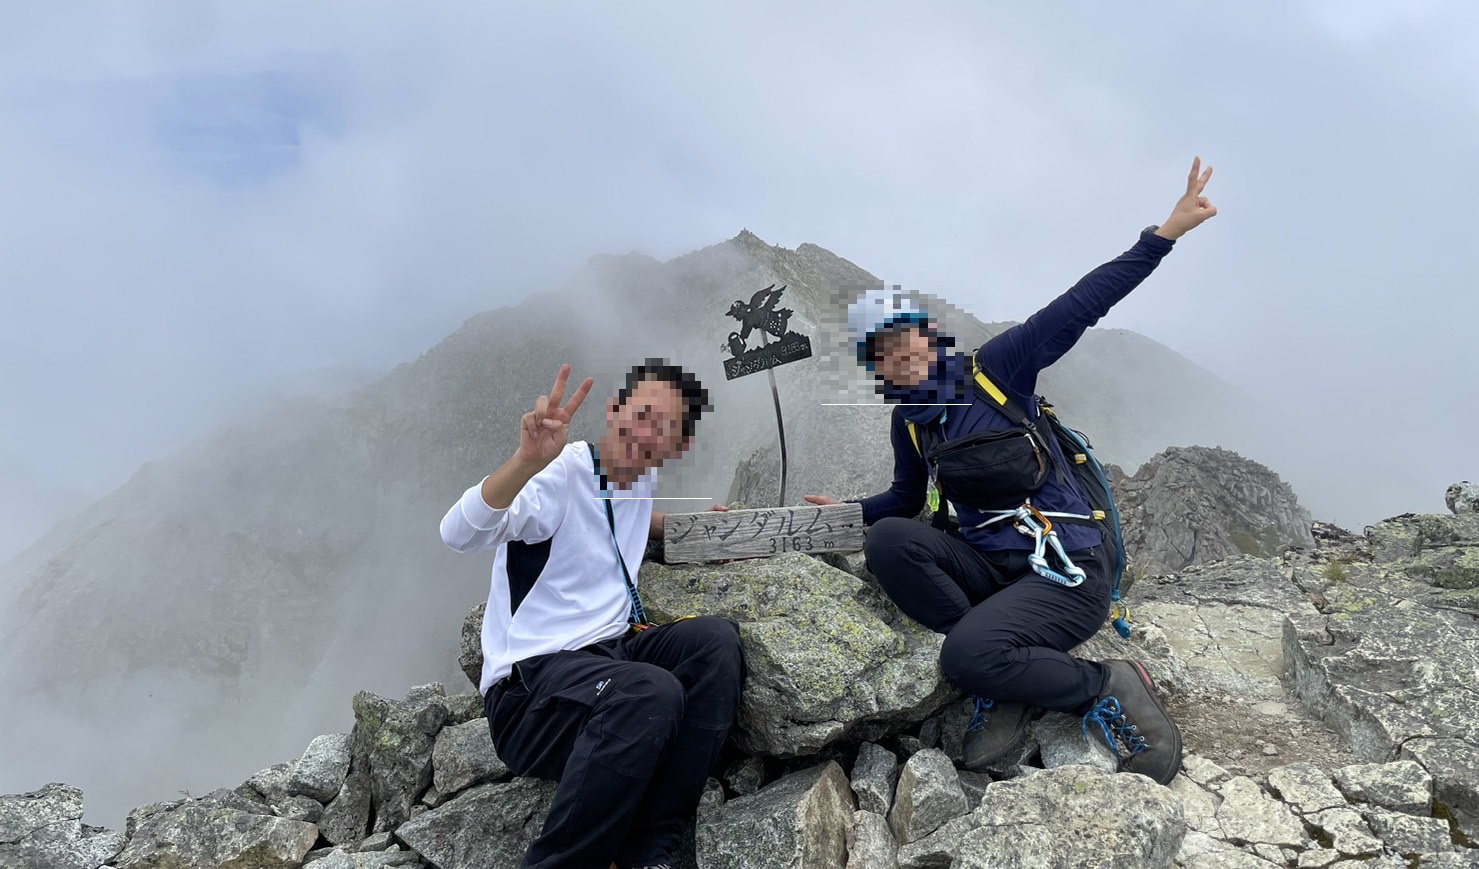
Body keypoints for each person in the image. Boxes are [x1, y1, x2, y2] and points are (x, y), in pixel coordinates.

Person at [805, 157, 1218, 786]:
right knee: (888, 541)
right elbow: (903, 499)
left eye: (905, 339)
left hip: (1067, 569)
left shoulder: (995, 372)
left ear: (930, 337)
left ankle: (1106, 683)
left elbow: (1078, 306)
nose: (898, 358)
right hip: (995, 573)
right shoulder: (912, 422)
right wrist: (845, 514)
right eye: (881, 354)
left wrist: (1164, 235)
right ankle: (1005, 665)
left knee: (963, 656)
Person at [440, 359, 745, 869]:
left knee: (716, 643)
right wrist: (524, 462)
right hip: (530, 692)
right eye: (641, 414)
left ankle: (653, 849)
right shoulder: (556, 475)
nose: (645, 433)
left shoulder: (637, 475)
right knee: (650, 691)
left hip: (609, 657)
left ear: (679, 445)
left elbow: (626, 512)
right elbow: (458, 533)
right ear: (614, 409)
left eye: (664, 427)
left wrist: (691, 532)